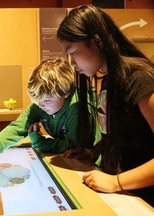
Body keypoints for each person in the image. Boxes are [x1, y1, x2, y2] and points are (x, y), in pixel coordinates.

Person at [57, 5, 154, 206]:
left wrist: (115, 182)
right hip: (126, 196)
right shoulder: (109, 79)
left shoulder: (140, 79)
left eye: (73, 53)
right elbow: (123, 133)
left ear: (97, 40)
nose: (72, 63)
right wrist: (93, 152)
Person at [0, 57, 98, 172]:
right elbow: (18, 126)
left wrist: (38, 141)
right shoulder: (41, 103)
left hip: (92, 164)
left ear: (66, 93)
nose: (41, 106)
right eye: (36, 101)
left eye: (47, 100)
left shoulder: (78, 109)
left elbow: (72, 148)